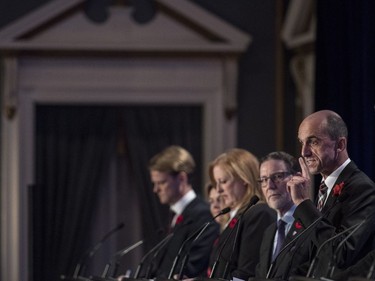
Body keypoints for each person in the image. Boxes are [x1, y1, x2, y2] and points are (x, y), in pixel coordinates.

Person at [286, 110, 375, 279]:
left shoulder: (362, 189)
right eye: (302, 142)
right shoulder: (324, 188)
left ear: (340, 145)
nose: (304, 152)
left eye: (313, 142)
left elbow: (340, 253)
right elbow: (314, 256)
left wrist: (304, 203)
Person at [145, 145, 220, 279]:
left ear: (181, 179)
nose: (155, 190)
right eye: (154, 183)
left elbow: (190, 267)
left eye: (161, 183)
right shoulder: (173, 214)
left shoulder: (203, 215)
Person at [207, 148, 276, 281]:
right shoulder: (234, 216)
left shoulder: (258, 214)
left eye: (223, 181)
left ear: (244, 178)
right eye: (216, 183)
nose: (218, 190)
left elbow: (246, 273)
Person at [255, 151, 304, 279]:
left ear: (297, 179)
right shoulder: (269, 232)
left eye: (277, 176)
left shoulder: (309, 224)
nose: (270, 186)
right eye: (264, 180)